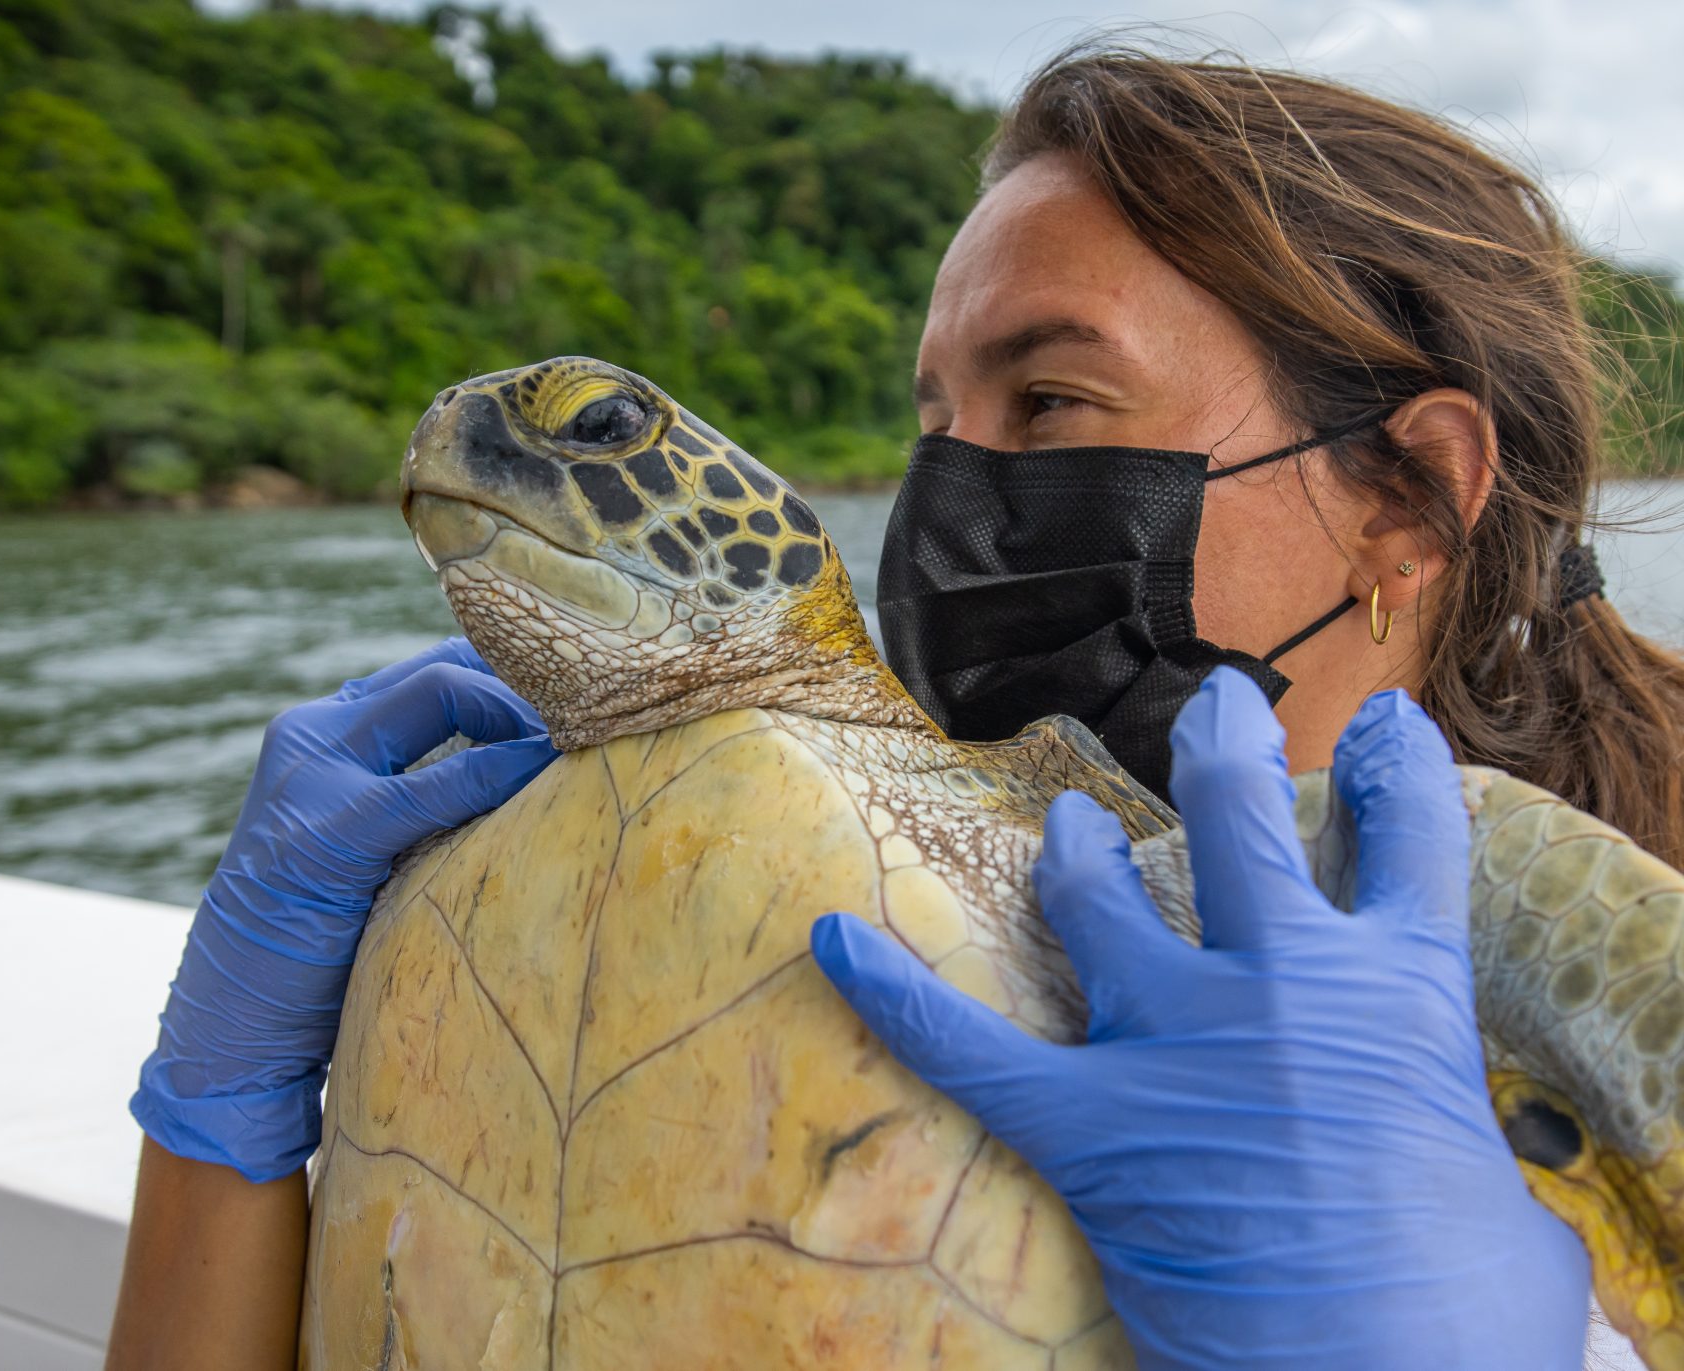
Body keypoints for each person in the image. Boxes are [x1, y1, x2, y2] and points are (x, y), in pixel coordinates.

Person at [106, 44, 1684, 1371]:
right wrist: (221, 1121)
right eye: (936, 419)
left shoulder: (1529, 1023)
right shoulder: (701, 837)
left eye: (1052, 399)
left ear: (1412, 499)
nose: (957, 492)